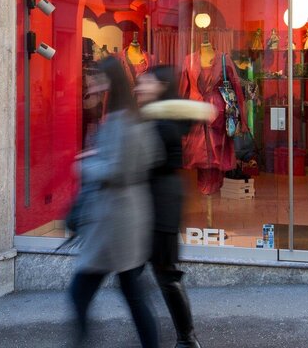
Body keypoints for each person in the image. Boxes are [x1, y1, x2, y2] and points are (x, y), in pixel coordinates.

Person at [69, 57, 162, 348]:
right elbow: (148, 157)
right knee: (132, 294)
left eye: (95, 78)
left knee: (82, 292)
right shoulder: (131, 116)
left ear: (109, 80)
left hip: (115, 222)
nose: (91, 84)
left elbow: (117, 170)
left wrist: (86, 165)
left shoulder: (121, 120)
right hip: (124, 218)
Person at [137, 65, 215, 348]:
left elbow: (147, 163)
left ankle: (186, 338)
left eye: (144, 83)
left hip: (161, 209)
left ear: (159, 86)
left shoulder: (162, 124)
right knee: (152, 273)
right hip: (157, 206)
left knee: (165, 274)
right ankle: (179, 337)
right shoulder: (159, 120)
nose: (139, 88)